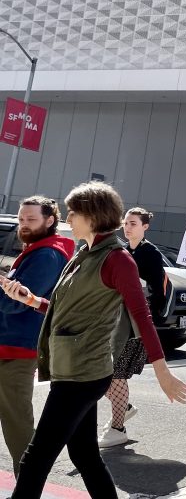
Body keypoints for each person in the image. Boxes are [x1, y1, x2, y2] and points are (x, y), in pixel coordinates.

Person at [1, 182, 186, 499]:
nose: (69, 219)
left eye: (74, 213)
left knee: (36, 458)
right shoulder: (83, 255)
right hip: (75, 369)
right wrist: (33, 300)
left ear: (92, 216)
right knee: (84, 454)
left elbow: (142, 316)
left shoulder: (118, 259)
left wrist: (162, 372)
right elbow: (67, 311)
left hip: (83, 373)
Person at [0, 196, 74, 475]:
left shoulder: (47, 254)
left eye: (31, 219)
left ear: (50, 220)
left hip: (17, 348)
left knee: (16, 419)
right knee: (14, 417)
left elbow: (15, 301)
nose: (24, 224)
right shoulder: (39, 250)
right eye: (21, 219)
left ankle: (28, 483)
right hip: (11, 345)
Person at [98, 207, 168, 448]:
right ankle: (123, 408)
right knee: (102, 372)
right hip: (114, 319)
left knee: (116, 372)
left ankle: (118, 426)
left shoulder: (151, 253)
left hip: (135, 323)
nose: (127, 227)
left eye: (133, 223)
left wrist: (146, 312)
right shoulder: (121, 251)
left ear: (145, 227)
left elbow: (159, 290)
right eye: (126, 223)